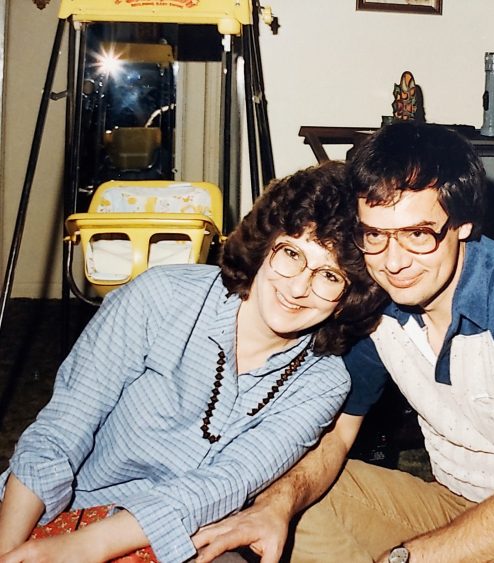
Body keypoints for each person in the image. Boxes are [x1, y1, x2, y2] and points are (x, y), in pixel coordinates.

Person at [193, 122, 494, 562]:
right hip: (450, 504)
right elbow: (336, 436)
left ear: (462, 224)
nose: (393, 263)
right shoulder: (378, 295)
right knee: (286, 504)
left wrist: (407, 556)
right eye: (375, 235)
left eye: (417, 235)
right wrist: (276, 508)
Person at [0, 161, 385, 563]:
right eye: (290, 253)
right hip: (66, 507)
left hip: (181, 535)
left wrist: (84, 549)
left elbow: (222, 484)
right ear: (265, 243)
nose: (298, 287)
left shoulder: (324, 382)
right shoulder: (160, 296)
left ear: (349, 297)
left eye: (329, 276)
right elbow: (61, 429)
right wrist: (10, 548)